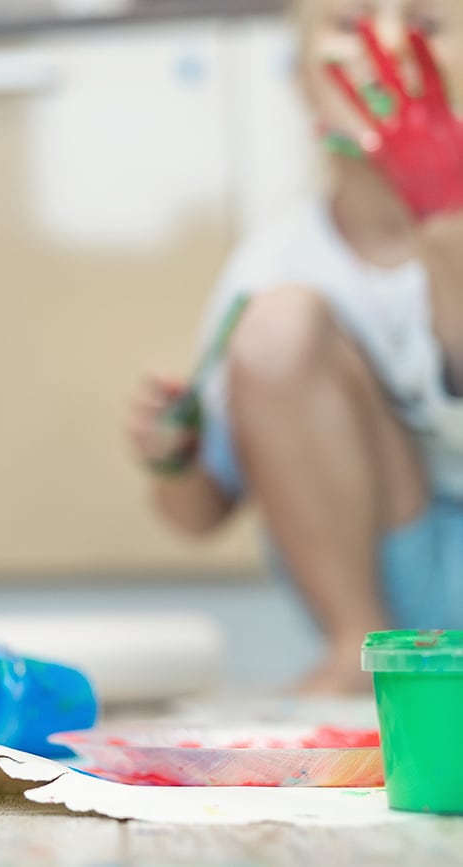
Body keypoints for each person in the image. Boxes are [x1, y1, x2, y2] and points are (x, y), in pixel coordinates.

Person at [127, 0, 463, 693]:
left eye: (427, 27)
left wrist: (447, 233)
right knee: (279, 327)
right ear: (302, 79)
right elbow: (198, 514)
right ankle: (356, 654)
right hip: (395, 597)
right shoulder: (274, 263)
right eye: (350, 24)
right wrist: (175, 459)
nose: (390, 45)